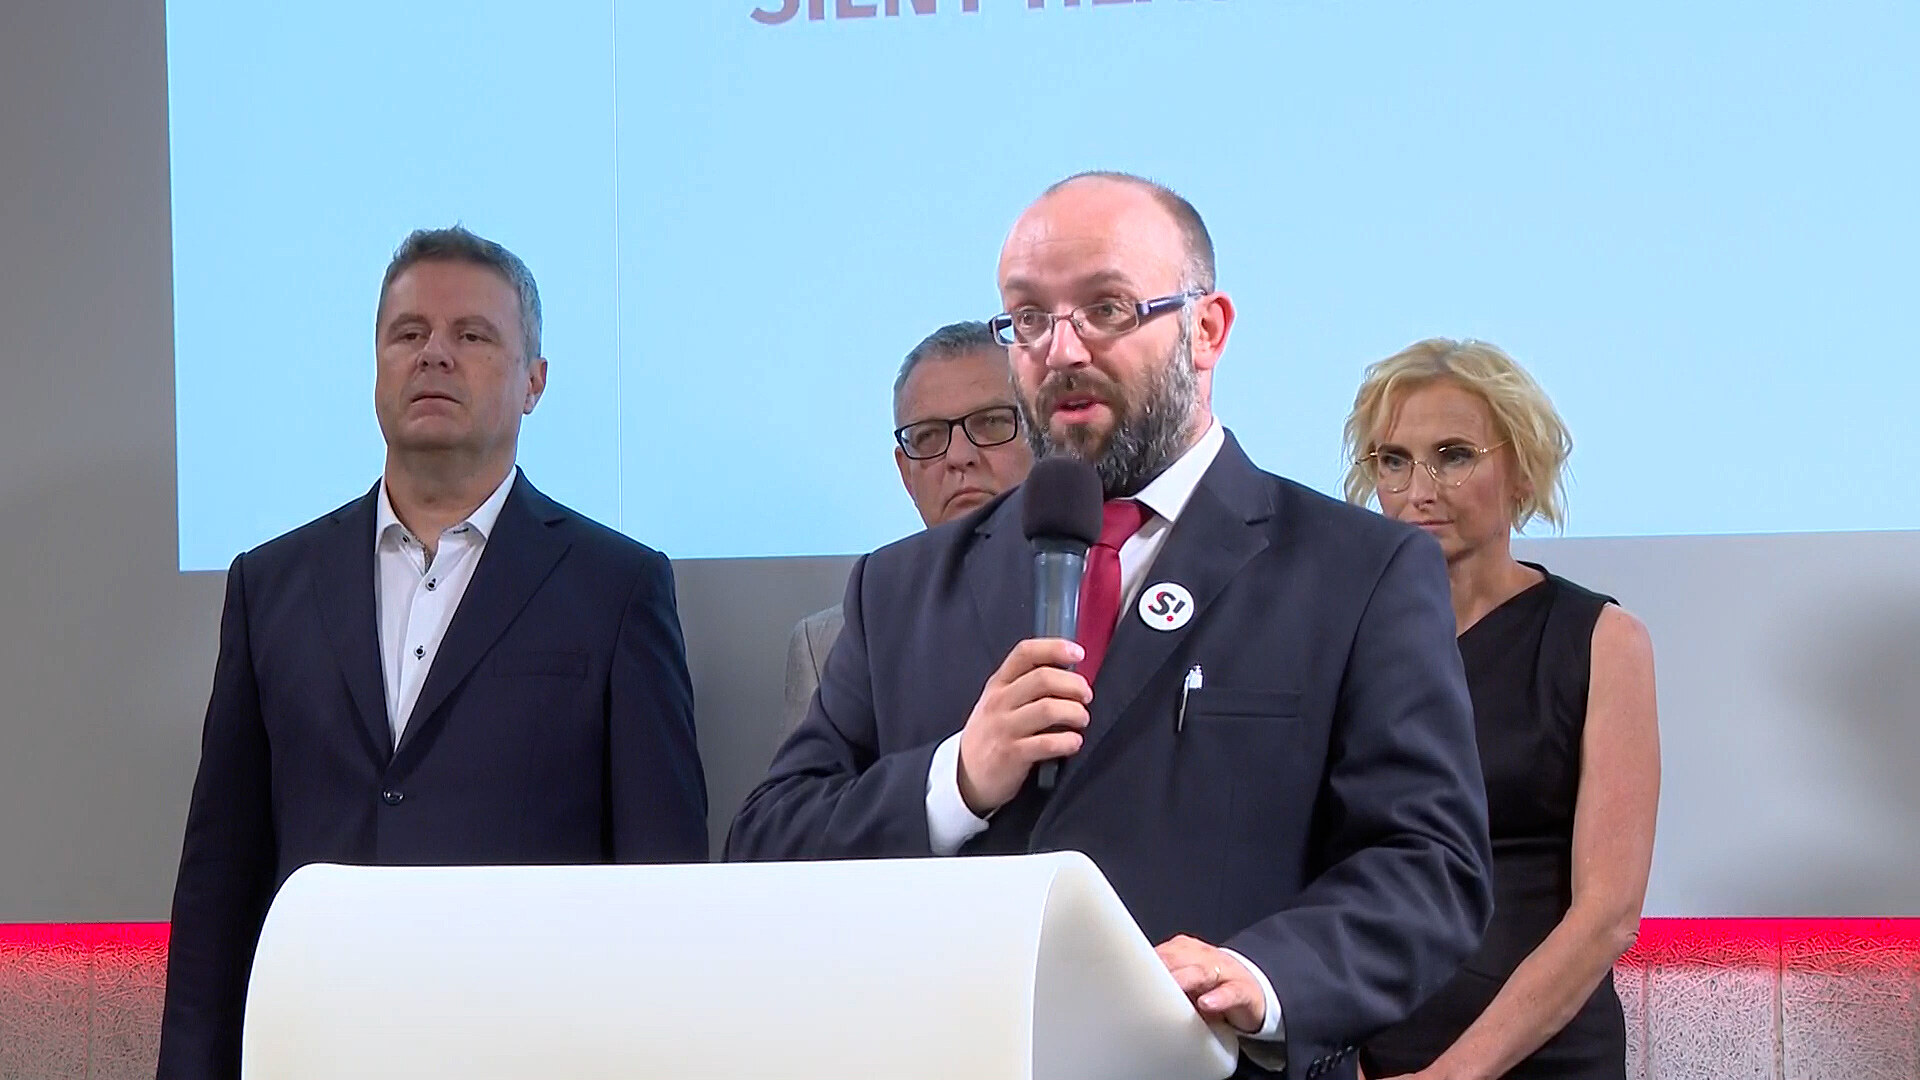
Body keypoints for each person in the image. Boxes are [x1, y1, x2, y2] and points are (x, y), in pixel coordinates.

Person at [728, 173, 1493, 1080]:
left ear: (1207, 330)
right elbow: (768, 847)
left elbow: (1428, 866)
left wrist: (1262, 977)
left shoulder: (1356, 571)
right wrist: (955, 780)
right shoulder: (900, 587)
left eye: (1106, 309)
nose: (1061, 349)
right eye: (1028, 317)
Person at [156, 227, 709, 1080]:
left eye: (473, 335)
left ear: (534, 382)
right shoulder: (271, 583)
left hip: (534, 1053)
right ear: (377, 367)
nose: (434, 355)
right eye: (408, 333)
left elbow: (660, 885)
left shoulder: (618, 587)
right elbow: (219, 882)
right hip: (314, 1047)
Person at [1344, 339, 1659, 1080]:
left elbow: (1608, 914)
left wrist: (1455, 1075)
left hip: (1545, 1057)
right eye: (1393, 461)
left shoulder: (1601, 640)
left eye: (1453, 456)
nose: (1418, 489)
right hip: (1364, 1048)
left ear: (1521, 470)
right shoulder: (1340, 641)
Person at [781, 322, 1032, 735]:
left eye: (990, 422)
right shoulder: (826, 644)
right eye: (928, 436)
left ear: (1043, 438)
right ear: (906, 474)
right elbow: (805, 781)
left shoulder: (1109, 598)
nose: (959, 456)